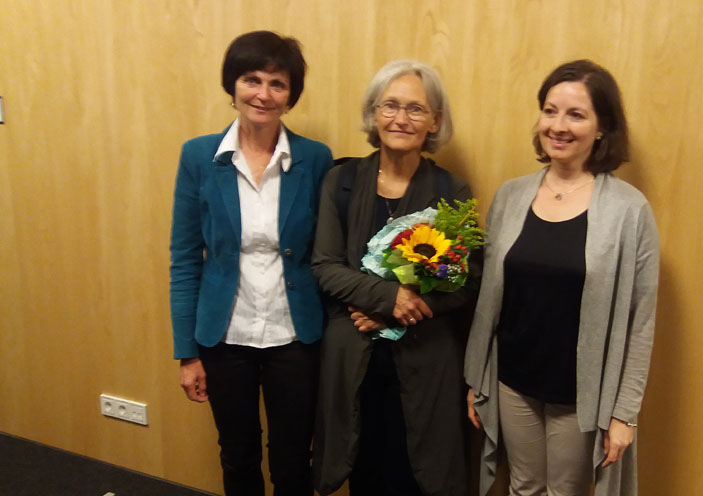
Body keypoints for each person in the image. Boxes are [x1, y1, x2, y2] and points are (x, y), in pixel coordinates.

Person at [464, 59, 660, 496]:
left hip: (580, 391)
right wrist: (478, 375)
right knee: (523, 486)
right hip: (512, 380)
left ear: (602, 127)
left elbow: (640, 322)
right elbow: (490, 300)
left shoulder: (629, 211)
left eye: (576, 115)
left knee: (564, 492)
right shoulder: (511, 196)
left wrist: (625, 414)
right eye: (550, 111)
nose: (558, 126)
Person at [169, 31, 332, 496]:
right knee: (237, 454)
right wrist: (187, 353)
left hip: (295, 335)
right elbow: (185, 258)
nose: (263, 94)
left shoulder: (315, 158)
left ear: (290, 95)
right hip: (225, 336)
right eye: (252, 79)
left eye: (277, 84)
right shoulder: (199, 156)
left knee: (293, 458)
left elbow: (327, 252)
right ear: (233, 84)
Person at [310, 59, 479, 496]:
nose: (401, 118)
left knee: (417, 475)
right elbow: (325, 265)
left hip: (425, 361)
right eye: (390, 106)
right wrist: (389, 298)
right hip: (354, 360)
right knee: (364, 471)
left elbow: (466, 281)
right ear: (373, 113)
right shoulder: (340, 181)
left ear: (435, 121)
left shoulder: (452, 192)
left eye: (416, 109)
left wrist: (393, 314)